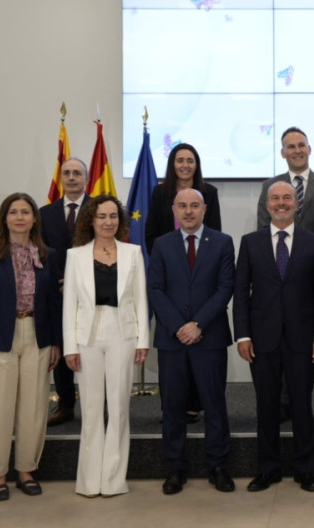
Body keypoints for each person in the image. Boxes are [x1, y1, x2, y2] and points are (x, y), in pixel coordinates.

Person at [234, 181, 314, 493]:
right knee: (266, 405)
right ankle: (268, 469)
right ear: (266, 205)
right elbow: (240, 293)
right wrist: (242, 335)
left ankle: (305, 469)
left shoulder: (313, 242)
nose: (281, 203)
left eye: (287, 198)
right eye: (275, 198)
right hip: (262, 339)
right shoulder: (250, 242)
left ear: (296, 203)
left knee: (302, 404)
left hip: (303, 338)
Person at [0, 192, 61, 501]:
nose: (20, 217)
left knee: (34, 408)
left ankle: (25, 470)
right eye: (14, 212)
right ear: (4, 218)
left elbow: (53, 302)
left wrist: (57, 343)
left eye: (26, 212)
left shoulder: (48, 255)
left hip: (38, 335)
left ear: (35, 218)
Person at [148, 188, 236, 495]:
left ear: (204, 208)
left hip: (208, 336)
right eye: (182, 206)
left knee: (214, 403)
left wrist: (197, 324)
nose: (188, 211)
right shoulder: (161, 244)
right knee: (172, 405)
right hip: (172, 340)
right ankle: (175, 467)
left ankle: (218, 465)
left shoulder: (223, 242)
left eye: (194, 206)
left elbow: (226, 288)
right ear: (173, 209)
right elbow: (155, 289)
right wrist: (179, 326)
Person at [62, 195, 150, 497]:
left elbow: (140, 299)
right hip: (86, 336)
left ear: (120, 221)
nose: (108, 222)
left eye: (113, 216)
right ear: (91, 219)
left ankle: (113, 480)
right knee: (90, 409)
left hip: (122, 333)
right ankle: (89, 481)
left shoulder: (133, 253)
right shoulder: (75, 256)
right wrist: (69, 347)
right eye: (102, 216)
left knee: (119, 408)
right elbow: (69, 304)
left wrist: (143, 340)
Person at [256, 127, 314, 425]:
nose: (296, 150)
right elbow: (263, 229)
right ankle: (286, 401)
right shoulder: (271, 185)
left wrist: (312, 252)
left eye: (301, 145)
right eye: (290, 146)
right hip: (281, 276)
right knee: (283, 335)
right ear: (282, 152)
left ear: (309, 149)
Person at [145, 143, 222, 424]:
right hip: (170, 276)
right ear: (172, 164)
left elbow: (215, 233)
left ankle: (194, 404)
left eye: (190, 160)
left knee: (201, 355)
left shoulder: (209, 192)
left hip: (201, 276)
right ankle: (175, 406)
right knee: (174, 356)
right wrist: (172, 252)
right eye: (180, 160)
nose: (185, 165)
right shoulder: (159, 192)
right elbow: (150, 234)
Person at [40, 157, 89, 427]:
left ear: (86, 178)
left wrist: (80, 282)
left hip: (93, 293)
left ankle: (97, 404)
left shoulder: (99, 209)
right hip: (57, 292)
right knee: (62, 345)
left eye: (77, 173)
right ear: (61, 178)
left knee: (93, 348)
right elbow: (40, 253)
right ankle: (66, 404)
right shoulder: (44, 213)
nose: (71, 178)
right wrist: (61, 280)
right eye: (67, 173)